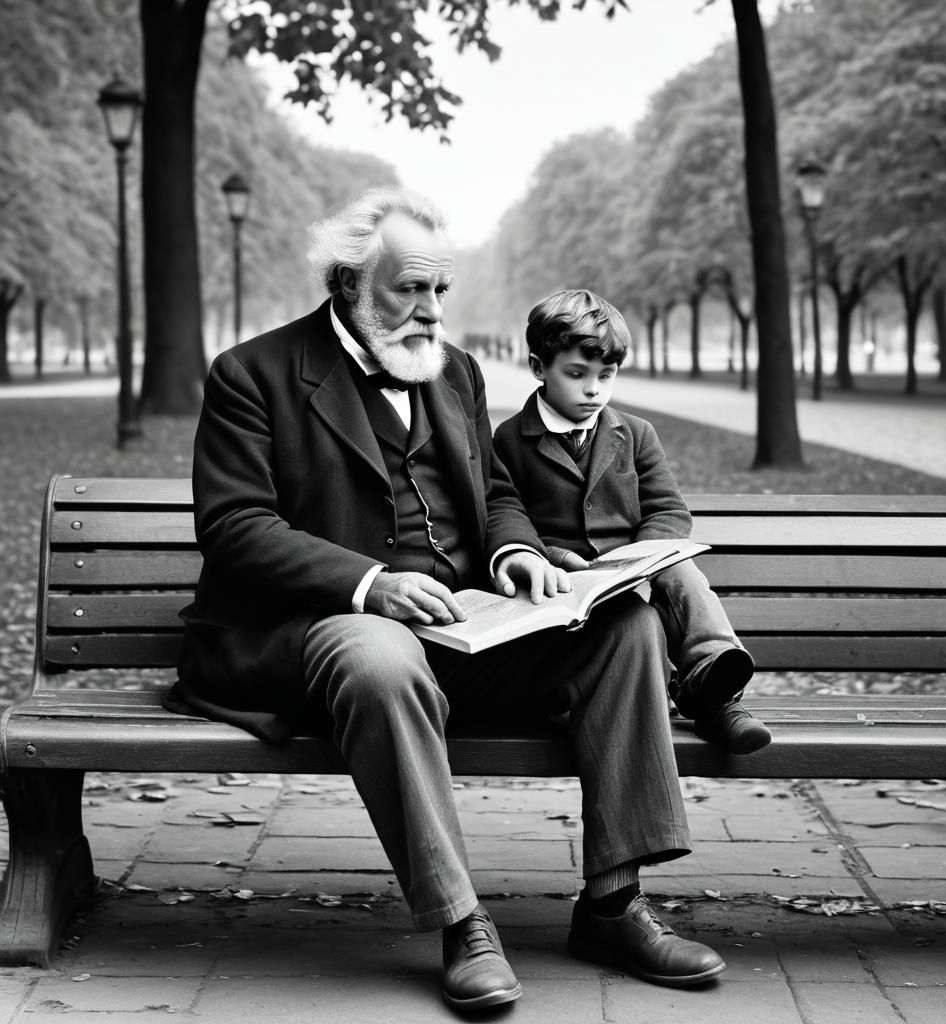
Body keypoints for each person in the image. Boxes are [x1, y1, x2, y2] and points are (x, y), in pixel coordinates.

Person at [166, 188, 727, 1011]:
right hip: (326, 628)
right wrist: (371, 585)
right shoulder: (253, 374)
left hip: (467, 627)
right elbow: (236, 526)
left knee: (629, 624)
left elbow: (496, 491)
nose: (431, 311)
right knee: (380, 656)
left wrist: (516, 553)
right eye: (411, 290)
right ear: (350, 282)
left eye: (440, 290)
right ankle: (463, 921)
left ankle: (613, 903)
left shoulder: (453, 372)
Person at [493, 288, 772, 756]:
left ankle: (717, 683)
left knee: (682, 574)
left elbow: (668, 510)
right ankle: (693, 696)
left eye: (607, 375)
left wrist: (642, 561)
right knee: (632, 623)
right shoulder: (510, 439)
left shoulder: (636, 434)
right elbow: (506, 516)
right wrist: (557, 558)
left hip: (636, 570)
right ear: (539, 368)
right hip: (561, 586)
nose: (594, 390)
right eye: (577, 374)